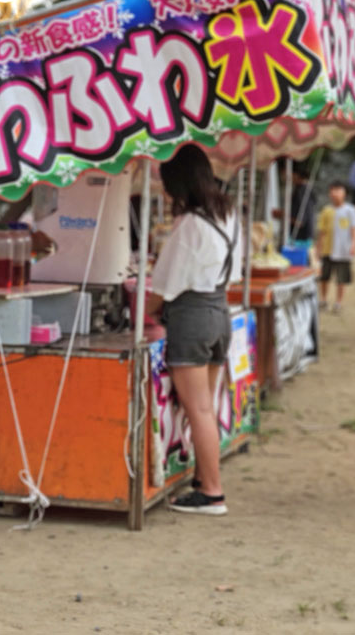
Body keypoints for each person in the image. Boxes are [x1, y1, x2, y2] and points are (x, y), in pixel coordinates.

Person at [146, 145, 242, 516]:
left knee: (199, 409)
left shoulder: (189, 225)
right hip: (220, 311)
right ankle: (204, 480)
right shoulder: (227, 212)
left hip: (192, 318)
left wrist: (139, 311)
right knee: (207, 406)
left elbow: (162, 288)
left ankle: (213, 494)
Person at [316, 181, 355, 313]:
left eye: (338, 190)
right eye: (333, 190)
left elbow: (354, 229)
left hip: (344, 250)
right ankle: (323, 299)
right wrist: (319, 248)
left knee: (341, 278)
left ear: (345, 193)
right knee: (324, 276)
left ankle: (338, 302)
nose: (335, 194)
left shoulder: (350, 210)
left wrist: (354, 245)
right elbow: (322, 231)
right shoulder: (326, 211)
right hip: (327, 249)